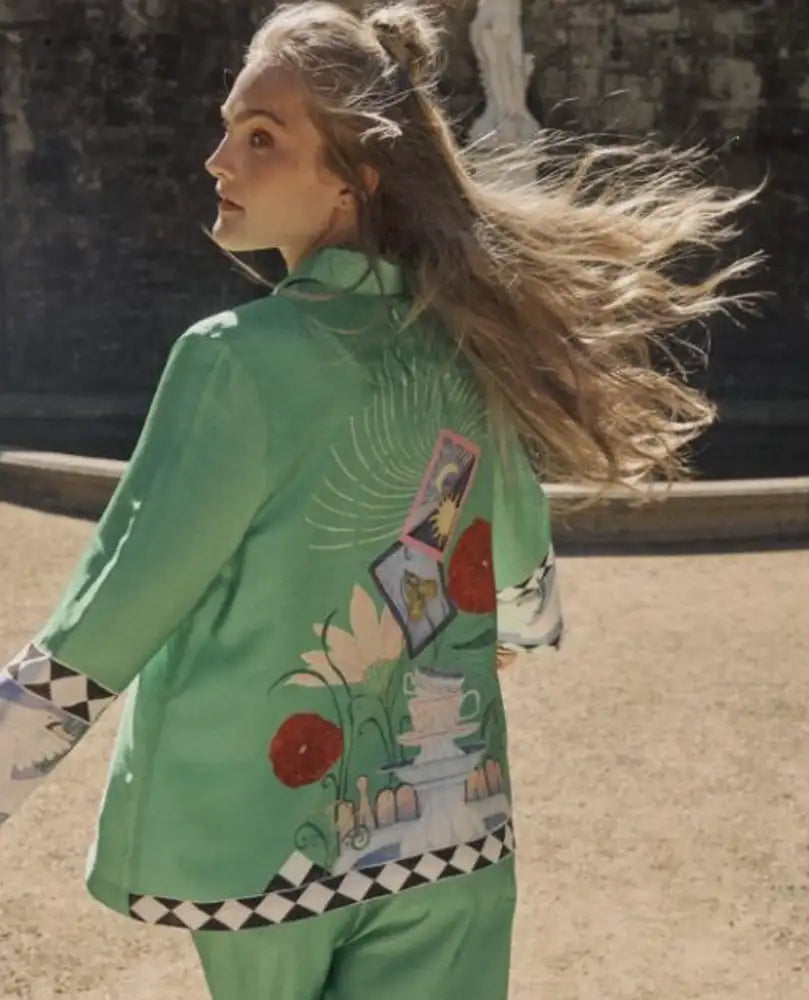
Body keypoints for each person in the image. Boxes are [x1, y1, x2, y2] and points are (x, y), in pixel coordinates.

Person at [0, 2, 763, 997]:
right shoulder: (469, 344)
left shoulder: (233, 361)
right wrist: (510, 628)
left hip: (263, 847)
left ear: (355, 177)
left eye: (261, 136)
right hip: (447, 834)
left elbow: (125, 596)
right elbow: (522, 574)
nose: (217, 159)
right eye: (229, 127)